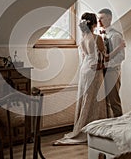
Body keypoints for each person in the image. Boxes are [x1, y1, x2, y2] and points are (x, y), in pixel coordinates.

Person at [53, 12, 107, 145]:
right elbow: (104, 56)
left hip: (85, 70)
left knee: (85, 98)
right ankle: (94, 129)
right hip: (94, 70)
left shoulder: (82, 39)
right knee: (95, 99)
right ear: (94, 24)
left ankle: (82, 126)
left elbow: (85, 57)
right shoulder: (97, 38)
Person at [97, 8, 125, 118]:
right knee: (104, 102)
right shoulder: (99, 35)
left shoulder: (116, 35)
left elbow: (121, 56)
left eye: (102, 18)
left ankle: (120, 126)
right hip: (100, 72)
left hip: (112, 71)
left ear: (109, 18)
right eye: (98, 18)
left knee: (114, 100)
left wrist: (105, 65)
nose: (99, 21)